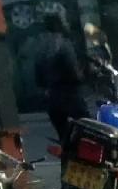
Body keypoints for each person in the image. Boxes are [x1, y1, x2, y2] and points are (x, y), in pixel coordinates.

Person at [34, 12, 88, 143]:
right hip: (71, 98)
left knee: (64, 138)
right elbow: (74, 73)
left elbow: (38, 77)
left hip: (53, 101)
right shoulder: (64, 44)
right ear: (59, 24)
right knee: (89, 130)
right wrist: (84, 75)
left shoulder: (41, 47)